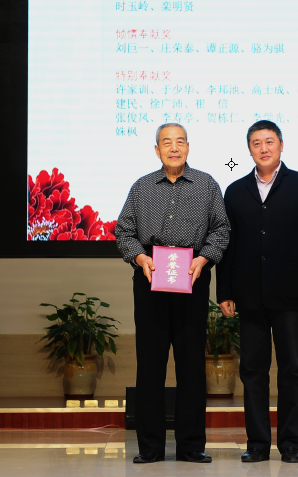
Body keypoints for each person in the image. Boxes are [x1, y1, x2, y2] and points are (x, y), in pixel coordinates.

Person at [116, 123, 230, 464]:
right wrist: (140, 258)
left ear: (188, 147)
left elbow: (221, 229)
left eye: (180, 141)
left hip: (192, 278)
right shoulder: (141, 187)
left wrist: (204, 259)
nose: (174, 147)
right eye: (167, 142)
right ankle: (149, 447)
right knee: (150, 364)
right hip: (150, 277)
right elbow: (124, 231)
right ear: (157, 150)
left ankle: (191, 445)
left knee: (191, 364)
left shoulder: (207, 185)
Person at [217, 120, 298, 464]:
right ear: (249, 149)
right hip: (249, 294)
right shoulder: (235, 191)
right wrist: (224, 290)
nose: (263, 148)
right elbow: (227, 245)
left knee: (292, 369)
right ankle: (258, 444)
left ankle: (290, 443)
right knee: (253, 371)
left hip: (291, 293)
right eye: (256, 143)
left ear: (281, 145)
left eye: (269, 141)